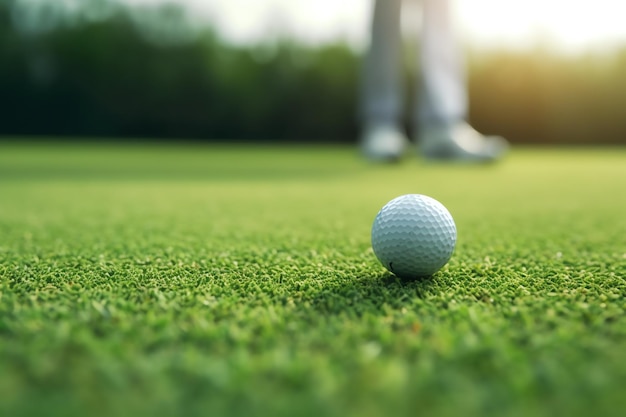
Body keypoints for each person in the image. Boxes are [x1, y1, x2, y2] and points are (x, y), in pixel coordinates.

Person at [360, 0, 508, 162]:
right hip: (381, 119)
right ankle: (381, 123)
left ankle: (441, 122)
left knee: (439, 4)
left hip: (444, 118)